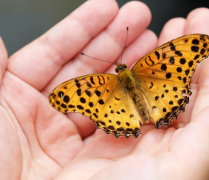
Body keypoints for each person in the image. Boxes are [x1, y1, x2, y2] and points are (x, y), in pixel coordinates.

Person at [1, 0, 209, 179]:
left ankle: (133, 122)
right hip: (161, 94)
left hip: (118, 112)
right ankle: (159, 113)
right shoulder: (149, 64)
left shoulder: (95, 84)